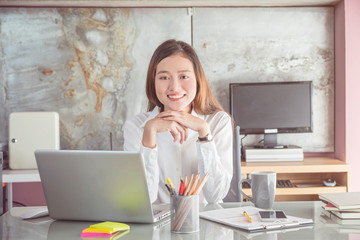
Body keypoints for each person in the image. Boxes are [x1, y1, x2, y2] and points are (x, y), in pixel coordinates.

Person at [123, 39, 233, 204]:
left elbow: (215, 195)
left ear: (197, 79)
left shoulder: (217, 121)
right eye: (164, 77)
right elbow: (141, 200)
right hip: (157, 226)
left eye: (184, 76)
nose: (174, 87)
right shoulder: (136, 126)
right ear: (153, 82)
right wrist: (149, 134)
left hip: (205, 224)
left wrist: (204, 132)